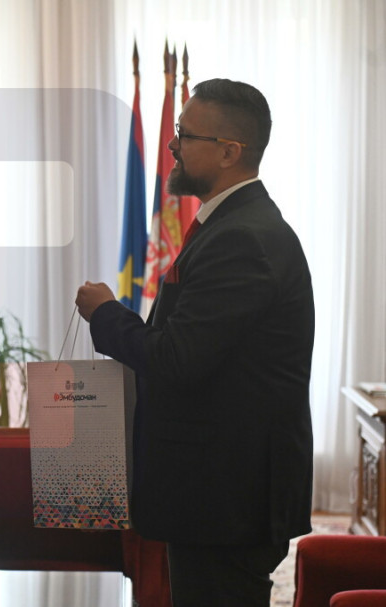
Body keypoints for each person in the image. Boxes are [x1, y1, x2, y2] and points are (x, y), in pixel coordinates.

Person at [76, 79, 314, 606]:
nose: (173, 146)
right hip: (217, 490)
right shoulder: (230, 224)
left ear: (230, 152)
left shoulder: (243, 238)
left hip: (227, 496)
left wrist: (106, 314)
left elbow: (178, 358)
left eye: (185, 135)